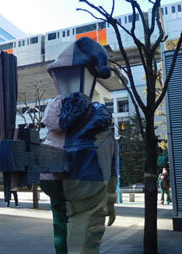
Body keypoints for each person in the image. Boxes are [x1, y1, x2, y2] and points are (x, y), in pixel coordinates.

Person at [39, 37, 116, 254]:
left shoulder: (52, 121)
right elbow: (108, 164)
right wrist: (110, 201)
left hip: (56, 190)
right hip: (88, 191)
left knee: (61, 241)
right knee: (84, 244)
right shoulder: (98, 125)